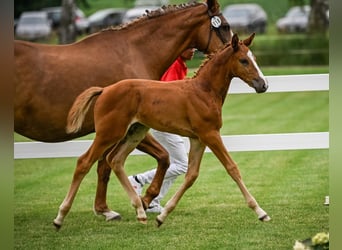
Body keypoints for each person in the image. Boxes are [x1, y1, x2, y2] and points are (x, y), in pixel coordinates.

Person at [128, 48, 196, 213]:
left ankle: (153, 201)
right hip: (165, 122)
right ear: (180, 49)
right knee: (181, 165)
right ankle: (138, 179)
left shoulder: (180, 65)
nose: (193, 51)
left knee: (175, 164)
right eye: (189, 48)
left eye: (194, 48)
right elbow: (168, 93)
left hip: (167, 122)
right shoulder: (174, 66)